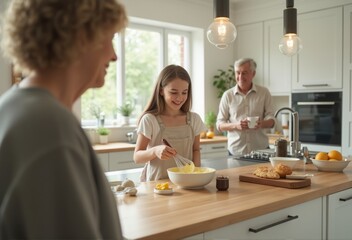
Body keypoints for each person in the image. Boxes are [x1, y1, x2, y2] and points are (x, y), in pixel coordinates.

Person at [0, 0, 127, 239]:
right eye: (110, 37)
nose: (114, 56)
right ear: (81, 35)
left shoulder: (13, 107)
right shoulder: (48, 126)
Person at [134, 65, 207, 181]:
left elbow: (196, 150)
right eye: (174, 92)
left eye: (184, 92)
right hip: (157, 187)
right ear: (161, 91)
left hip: (185, 185)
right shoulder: (150, 120)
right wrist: (155, 151)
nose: (179, 98)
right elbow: (137, 157)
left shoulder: (194, 119)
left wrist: (195, 175)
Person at [216, 58, 276, 156]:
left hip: (261, 152)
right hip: (235, 152)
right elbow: (219, 124)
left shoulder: (264, 93)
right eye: (237, 73)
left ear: (253, 74)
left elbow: (272, 120)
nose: (240, 77)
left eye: (244, 73)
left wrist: (261, 124)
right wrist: (236, 125)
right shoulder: (228, 95)